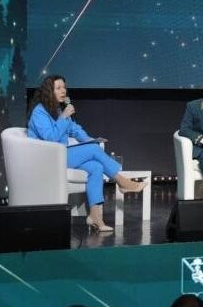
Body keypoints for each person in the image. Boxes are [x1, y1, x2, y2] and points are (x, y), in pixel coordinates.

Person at [27, 75, 146, 232]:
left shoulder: (58, 110)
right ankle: (121, 181)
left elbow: (75, 130)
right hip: (49, 159)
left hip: (61, 155)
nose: (63, 91)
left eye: (64, 87)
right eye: (58, 88)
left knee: (96, 167)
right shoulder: (39, 112)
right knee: (93, 150)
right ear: (49, 91)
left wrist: (90, 139)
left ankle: (95, 217)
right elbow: (51, 138)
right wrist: (64, 117)